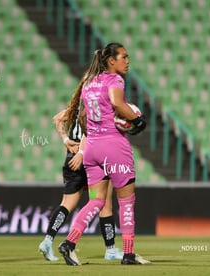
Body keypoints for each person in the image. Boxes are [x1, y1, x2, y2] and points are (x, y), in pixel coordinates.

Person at [57, 42, 148, 266]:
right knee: (126, 201)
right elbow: (118, 104)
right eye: (124, 57)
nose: (127, 61)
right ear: (111, 60)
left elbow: (82, 117)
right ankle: (128, 254)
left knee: (96, 201)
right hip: (114, 147)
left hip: (92, 150)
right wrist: (137, 120)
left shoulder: (88, 83)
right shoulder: (115, 80)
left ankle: (69, 243)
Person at [38, 98, 123, 262]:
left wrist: (65, 140)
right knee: (104, 203)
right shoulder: (96, 106)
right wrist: (82, 153)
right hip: (91, 157)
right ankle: (111, 250)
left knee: (67, 204)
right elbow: (88, 131)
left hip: (71, 156)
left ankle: (48, 240)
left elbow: (56, 119)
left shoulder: (75, 108)